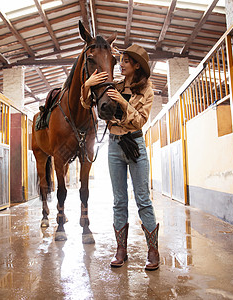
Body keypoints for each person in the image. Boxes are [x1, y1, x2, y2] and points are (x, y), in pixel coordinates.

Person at [80, 44, 159, 270]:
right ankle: (120, 250)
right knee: (118, 200)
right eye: (121, 60)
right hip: (114, 146)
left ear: (136, 66)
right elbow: (87, 104)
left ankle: (153, 251)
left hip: (134, 143)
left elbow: (139, 121)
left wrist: (123, 102)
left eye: (125, 61)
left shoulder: (147, 90)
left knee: (143, 199)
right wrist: (87, 86)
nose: (120, 64)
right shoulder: (113, 86)